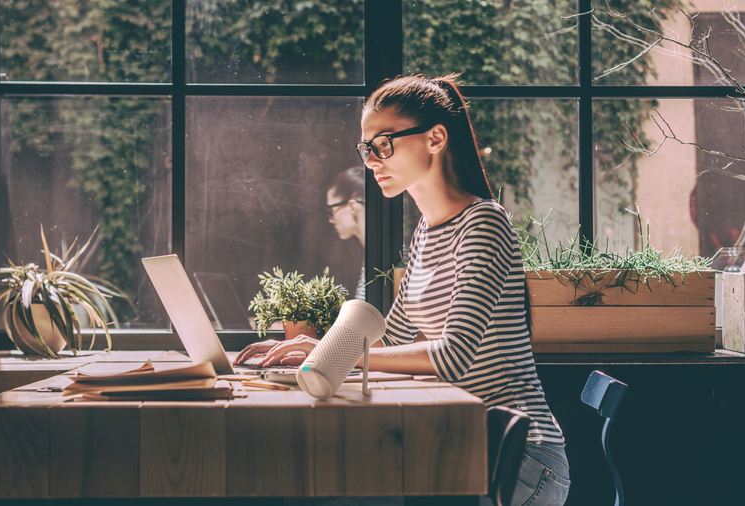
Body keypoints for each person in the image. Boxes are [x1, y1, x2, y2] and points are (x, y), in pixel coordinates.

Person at [234, 74, 570, 506]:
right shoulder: (426, 234)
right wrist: (312, 348)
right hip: (463, 441)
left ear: (435, 138)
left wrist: (329, 357)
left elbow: (452, 357)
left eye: (384, 143)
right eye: (366, 147)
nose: (371, 159)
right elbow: (388, 338)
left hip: (519, 455)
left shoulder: (483, 223)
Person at [326, 166, 367, 300]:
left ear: (352, 207)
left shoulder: (385, 256)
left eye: (332, 210)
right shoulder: (375, 253)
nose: (331, 220)